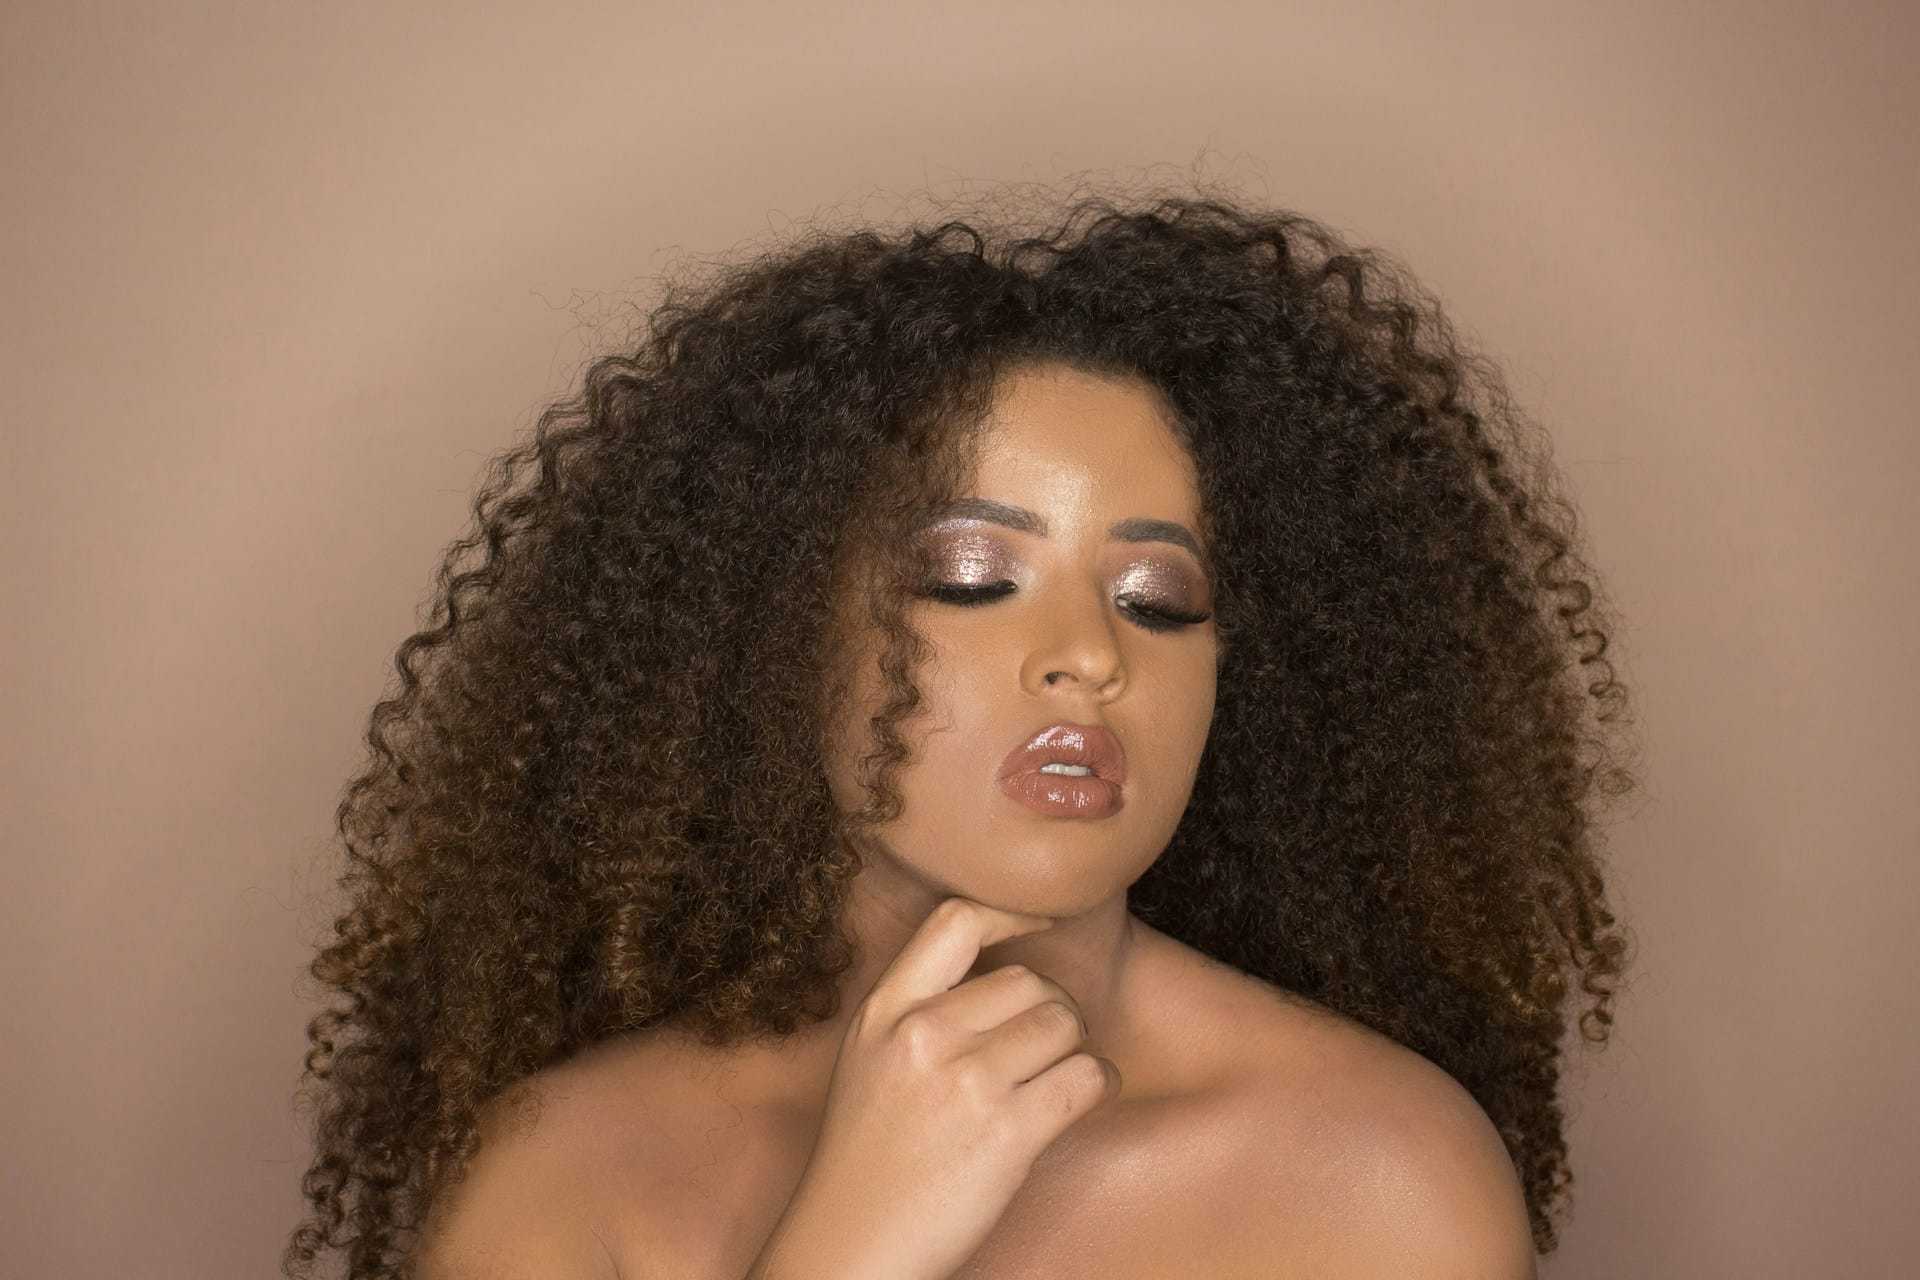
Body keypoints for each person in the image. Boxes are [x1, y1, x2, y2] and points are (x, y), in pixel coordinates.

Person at [283, 185, 1638, 1280]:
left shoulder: (1382, 1172)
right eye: (974, 580)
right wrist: (849, 1250)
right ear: (772, 633)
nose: (1091, 660)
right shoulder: (571, 1177)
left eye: (1159, 601)